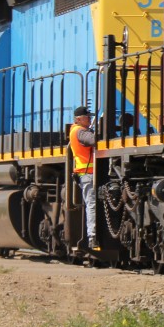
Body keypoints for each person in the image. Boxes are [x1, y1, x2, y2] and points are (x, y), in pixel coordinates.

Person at [69, 106, 97, 251]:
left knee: (92, 204)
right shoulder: (79, 131)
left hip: (88, 174)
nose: (90, 119)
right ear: (79, 119)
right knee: (92, 205)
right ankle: (92, 237)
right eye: (87, 117)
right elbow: (93, 140)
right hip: (88, 174)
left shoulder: (78, 130)